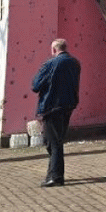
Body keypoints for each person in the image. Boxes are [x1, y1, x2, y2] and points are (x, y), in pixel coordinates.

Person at [31, 38, 81, 187]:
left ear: (53, 50)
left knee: (53, 142)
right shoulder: (75, 63)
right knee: (54, 140)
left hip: (51, 106)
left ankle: (56, 177)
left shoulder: (50, 64)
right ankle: (53, 173)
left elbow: (36, 85)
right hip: (68, 105)